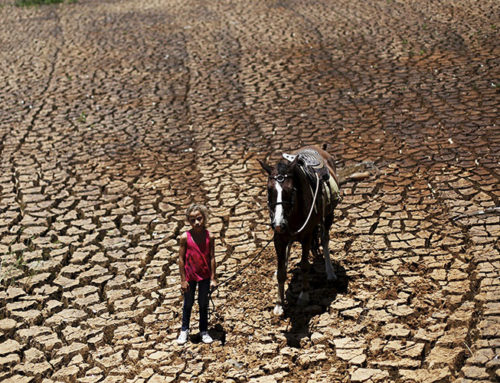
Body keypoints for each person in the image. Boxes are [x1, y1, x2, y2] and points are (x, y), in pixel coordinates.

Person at [177, 203, 217, 345]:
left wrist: (213, 278)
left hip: (205, 277)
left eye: (199, 219)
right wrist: (183, 280)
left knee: (203, 303)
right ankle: (184, 330)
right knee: (188, 303)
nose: (197, 223)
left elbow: (212, 257)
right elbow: (181, 259)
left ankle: (204, 331)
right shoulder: (185, 237)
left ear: (204, 218)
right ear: (188, 221)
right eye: (193, 220)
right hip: (190, 277)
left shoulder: (210, 236)